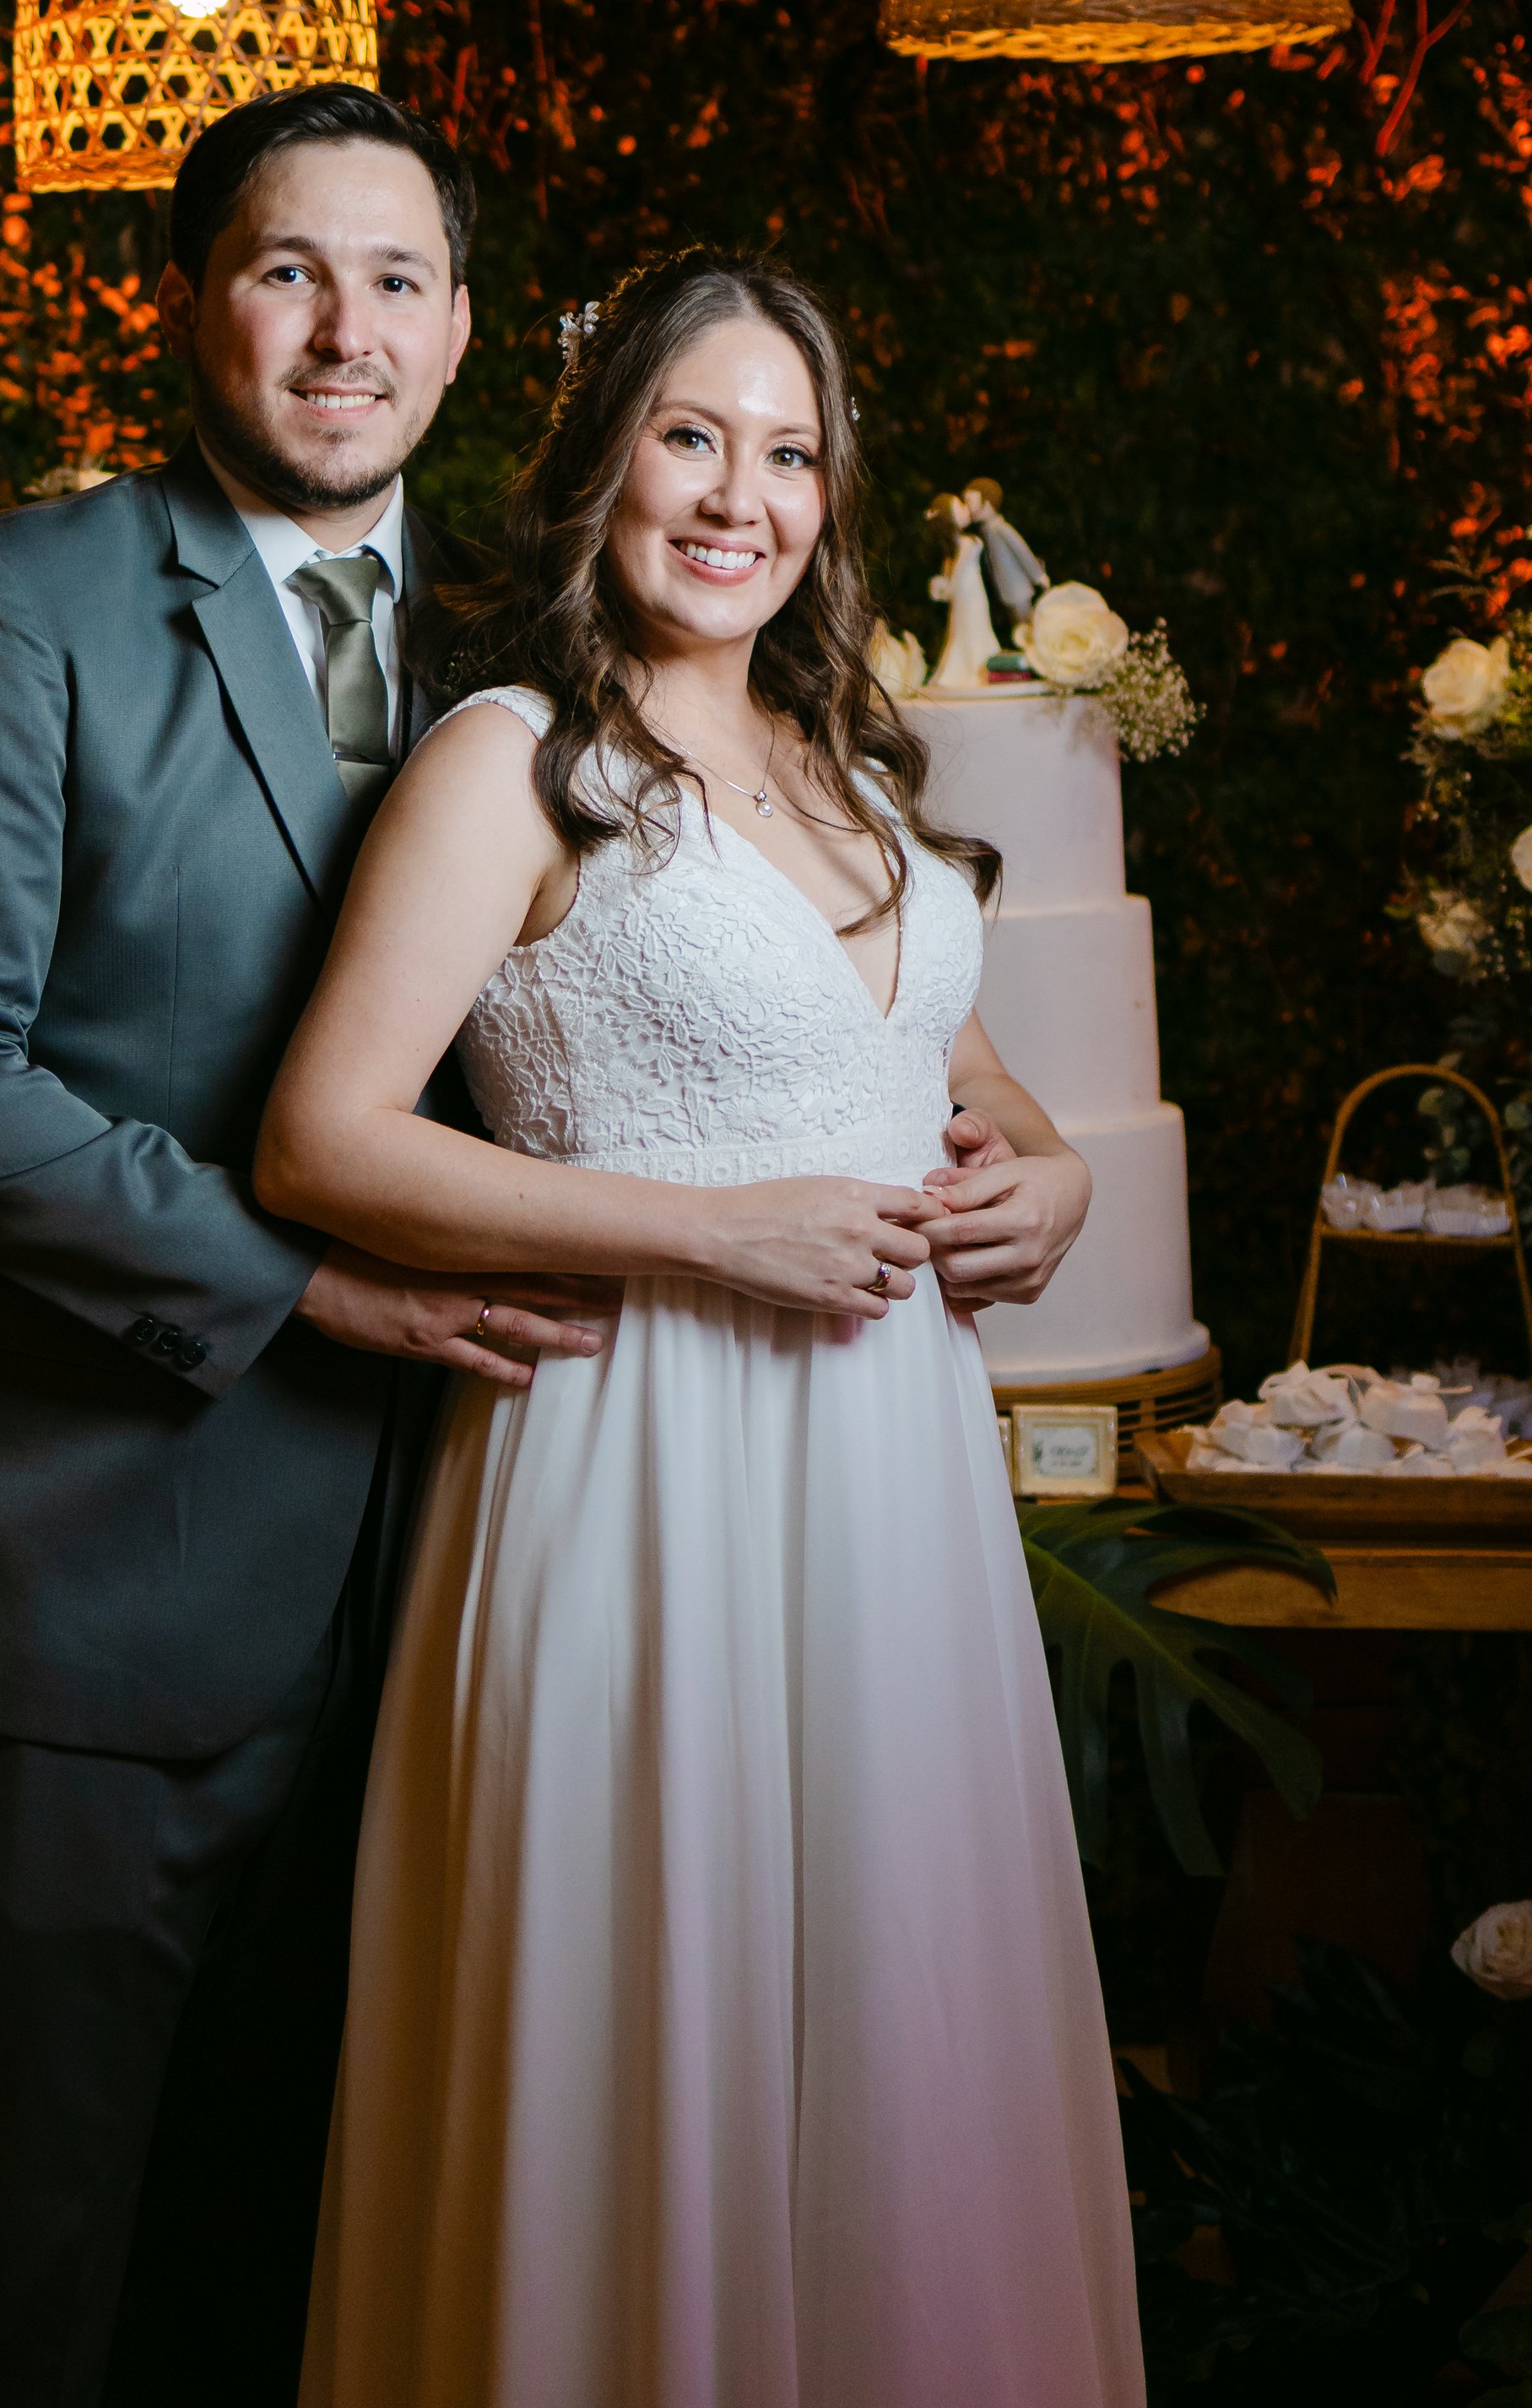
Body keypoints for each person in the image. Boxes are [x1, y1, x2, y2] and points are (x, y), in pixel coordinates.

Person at [257, 251, 1146, 2408]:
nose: (740, 497)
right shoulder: (507, 763)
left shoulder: (846, 773)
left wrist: (1053, 1176)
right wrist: (707, 1237)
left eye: (789, 454)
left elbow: (938, 1067)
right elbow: (320, 1141)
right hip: (635, 1469)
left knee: (898, 2021)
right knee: (645, 2010)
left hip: (895, 1501)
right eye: (690, 437)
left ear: (829, 501)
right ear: (603, 462)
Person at [0, 83, 609, 2408]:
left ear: (461, 330)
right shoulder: (15, 603)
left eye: (393, 279)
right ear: (186, 304)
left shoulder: (530, 639)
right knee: (16, 2271)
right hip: (84, 1583)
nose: (344, 330)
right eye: (286, 269)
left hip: (454, 1596)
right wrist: (298, 1278)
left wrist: (996, 1138)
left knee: (332, 2284)